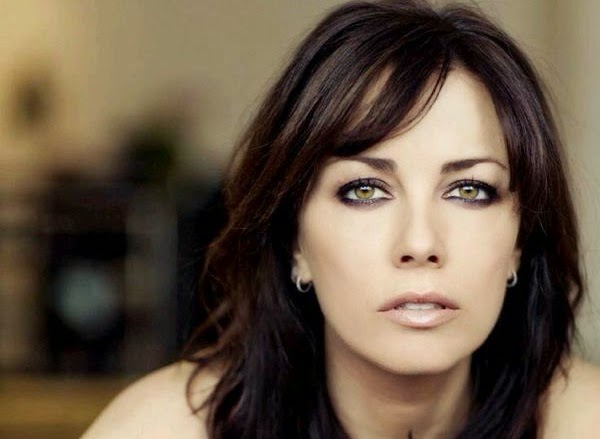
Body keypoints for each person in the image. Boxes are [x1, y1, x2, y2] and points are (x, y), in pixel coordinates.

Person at [82, 1, 600, 438]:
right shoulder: (165, 427)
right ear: (295, 242)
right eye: (365, 190)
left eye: (469, 190)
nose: (420, 242)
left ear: (519, 240)